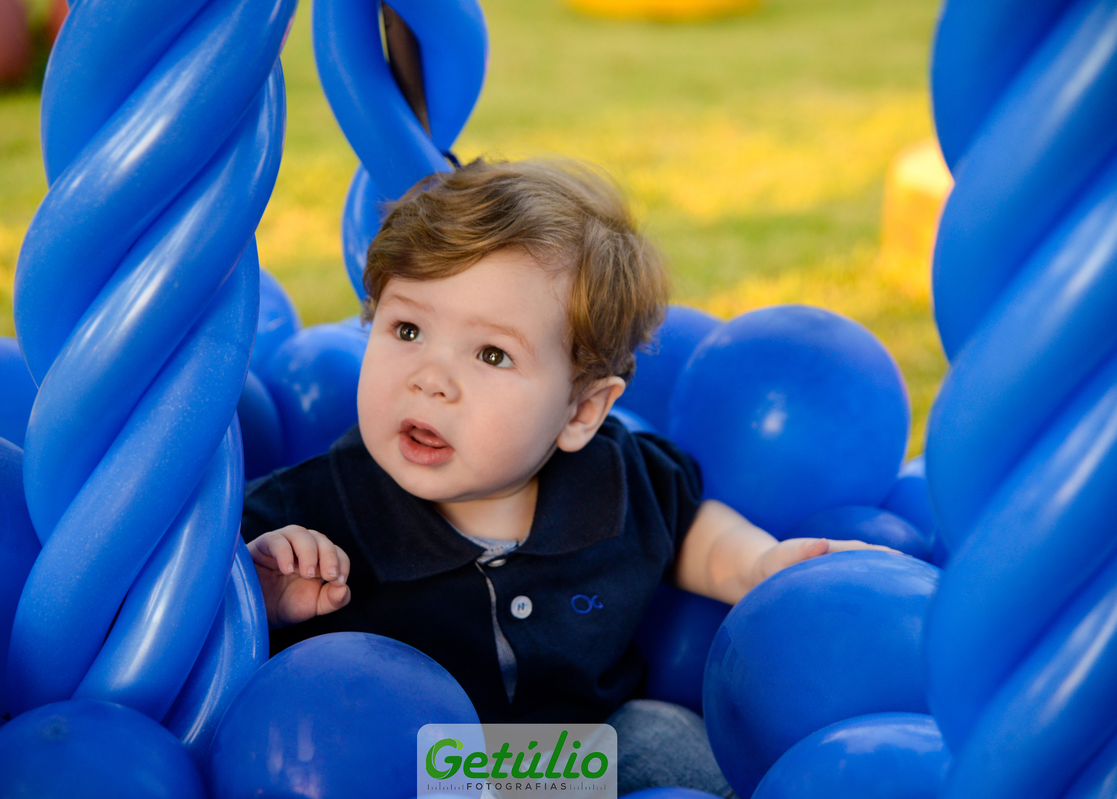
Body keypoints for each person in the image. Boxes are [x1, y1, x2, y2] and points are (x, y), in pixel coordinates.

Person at [241, 158, 887, 795]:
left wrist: (757, 564)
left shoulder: (614, 476)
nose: (430, 378)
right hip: (406, 770)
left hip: (578, 758)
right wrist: (255, 592)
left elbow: (690, 526)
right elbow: (206, 627)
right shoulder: (306, 512)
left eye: (492, 353)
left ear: (580, 412)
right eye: (407, 329)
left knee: (668, 738)